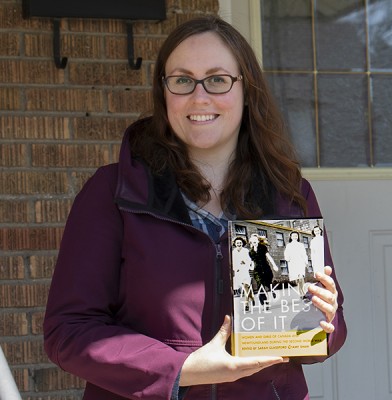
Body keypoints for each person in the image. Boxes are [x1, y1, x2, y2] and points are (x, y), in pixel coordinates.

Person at [43, 14, 346, 400]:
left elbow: (323, 338)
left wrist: (326, 320)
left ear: (247, 90)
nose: (199, 97)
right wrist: (180, 370)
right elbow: (68, 332)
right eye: (182, 80)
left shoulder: (287, 193)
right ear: (163, 91)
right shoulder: (113, 193)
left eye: (217, 79)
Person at [248, 233, 278, 308]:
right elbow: (252, 262)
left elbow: (269, 257)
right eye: (252, 240)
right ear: (251, 242)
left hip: (265, 268)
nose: (254, 241)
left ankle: (272, 289)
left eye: (255, 240)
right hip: (257, 271)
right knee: (261, 285)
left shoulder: (263, 247)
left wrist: (274, 265)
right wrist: (250, 269)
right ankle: (265, 302)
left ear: (258, 241)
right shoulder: (250, 252)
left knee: (268, 283)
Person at [231, 236, 255, 310]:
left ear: (242, 243)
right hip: (238, 272)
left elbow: (250, 260)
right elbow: (233, 262)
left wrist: (245, 262)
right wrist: (235, 269)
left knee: (245, 286)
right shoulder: (233, 252)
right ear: (235, 244)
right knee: (245, 288)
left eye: (240, 243)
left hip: (245, 271)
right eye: (237, 243)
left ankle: (246, 304)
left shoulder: (246, 251)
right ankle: (252, 298)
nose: (239, 244)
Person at [284, 231, 309, 298]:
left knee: (301, 278)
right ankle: (301, 293)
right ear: (291, 237)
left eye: (296, 236)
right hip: (293, 263)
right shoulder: (289, 245)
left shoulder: (301, 245)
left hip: (300, 262)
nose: (295, 237)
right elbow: (286, 254)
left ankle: (303, 293)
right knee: (297, 279)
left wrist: (306, 262)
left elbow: (304, 254)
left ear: (298, 237)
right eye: (293, 236)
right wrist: (287, 259)